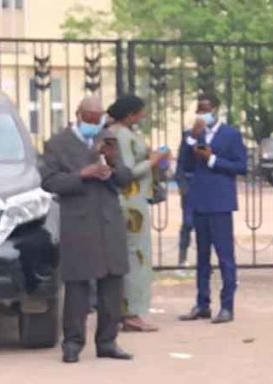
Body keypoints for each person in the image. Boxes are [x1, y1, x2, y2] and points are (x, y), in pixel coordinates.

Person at [40, 96, 134, 363]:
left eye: (98, 119)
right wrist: (83, 174)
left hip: (109, 221)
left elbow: (125, 179)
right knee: (78, 286)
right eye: (90, 119)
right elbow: (49, 182)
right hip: (79, 222)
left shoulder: (108, 140)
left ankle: (107, 341)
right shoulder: (58, 144)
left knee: (112, 284)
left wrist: (112, 164)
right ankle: (72, 343)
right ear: (78, 115)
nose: (94, 123)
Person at [178, 93, 248, 324]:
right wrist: (191, 140)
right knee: (202, 257)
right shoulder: (191, 135)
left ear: (216, 110)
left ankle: (227, 306)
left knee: (225, 256)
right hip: (199, 201)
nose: (202, 113)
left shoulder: (230, 135)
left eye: (206, 109)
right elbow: (185, 166)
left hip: (220, 203)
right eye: (199, 109)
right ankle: (202, 304)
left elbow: (241, 166)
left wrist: (212, 159)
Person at [106, 95, 169, 333]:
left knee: (130, 255)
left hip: (130, 201)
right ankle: (132, 313)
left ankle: (125, 311)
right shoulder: (122, 135)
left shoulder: (115, 132)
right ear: (130, 114)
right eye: (140, 112)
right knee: (137, 257)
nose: (142, 116)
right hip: (132, 203)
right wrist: (154, 160)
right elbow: (129, 172)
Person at [176, 129, 195, 267]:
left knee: (206, 225)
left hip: (206, 185)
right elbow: (181, 163)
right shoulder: (188, 136)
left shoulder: (209, 137)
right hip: (189, 185)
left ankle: (204, 260)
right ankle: (182, 258)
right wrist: (182, 185)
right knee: (188, 223)